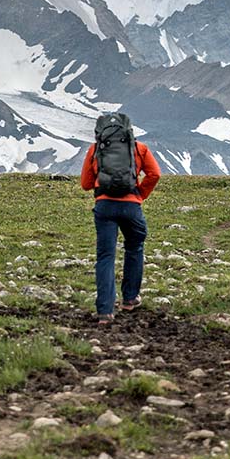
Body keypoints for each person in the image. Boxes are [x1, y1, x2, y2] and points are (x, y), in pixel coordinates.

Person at [80, 113, 161, 324]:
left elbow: (86, 184)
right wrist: (140, 194)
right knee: (134, 248)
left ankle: (105, 311)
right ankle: (130, 299)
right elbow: (154, 174)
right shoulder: (138, 148)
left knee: (106, 256)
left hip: (105, 206)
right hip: (132, 206)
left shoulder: (95, 150)